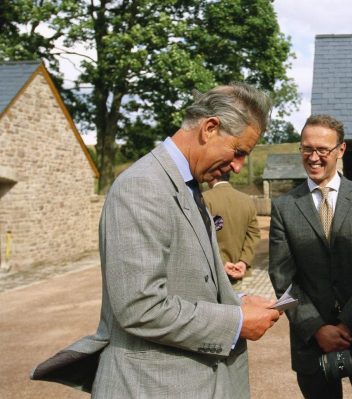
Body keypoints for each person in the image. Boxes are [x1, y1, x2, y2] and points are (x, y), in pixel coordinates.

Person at [31, 83, 281, 398]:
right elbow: (140, 306)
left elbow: (189, 281)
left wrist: (237, 301)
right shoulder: (142, 186)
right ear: (210, 128)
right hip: (150, 386)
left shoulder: (185, 185)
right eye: (239, 151)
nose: (238, 166)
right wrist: (235, 322)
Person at [269, 114, 352, 399]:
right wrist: (316, 329)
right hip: (311, 344)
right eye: (306, 148)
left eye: (322, 150)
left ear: (341, 150)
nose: (313, 157)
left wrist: (346, 324)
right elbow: (281, 279)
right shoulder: (283, 207)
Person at [203, 172, 261, 289]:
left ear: (212, 175)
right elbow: (254, 235)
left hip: (211, 275)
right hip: (237, 271)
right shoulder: (247, 200)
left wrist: (222, 263)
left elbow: (202, 237)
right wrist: (244, 261)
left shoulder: (203, 199)